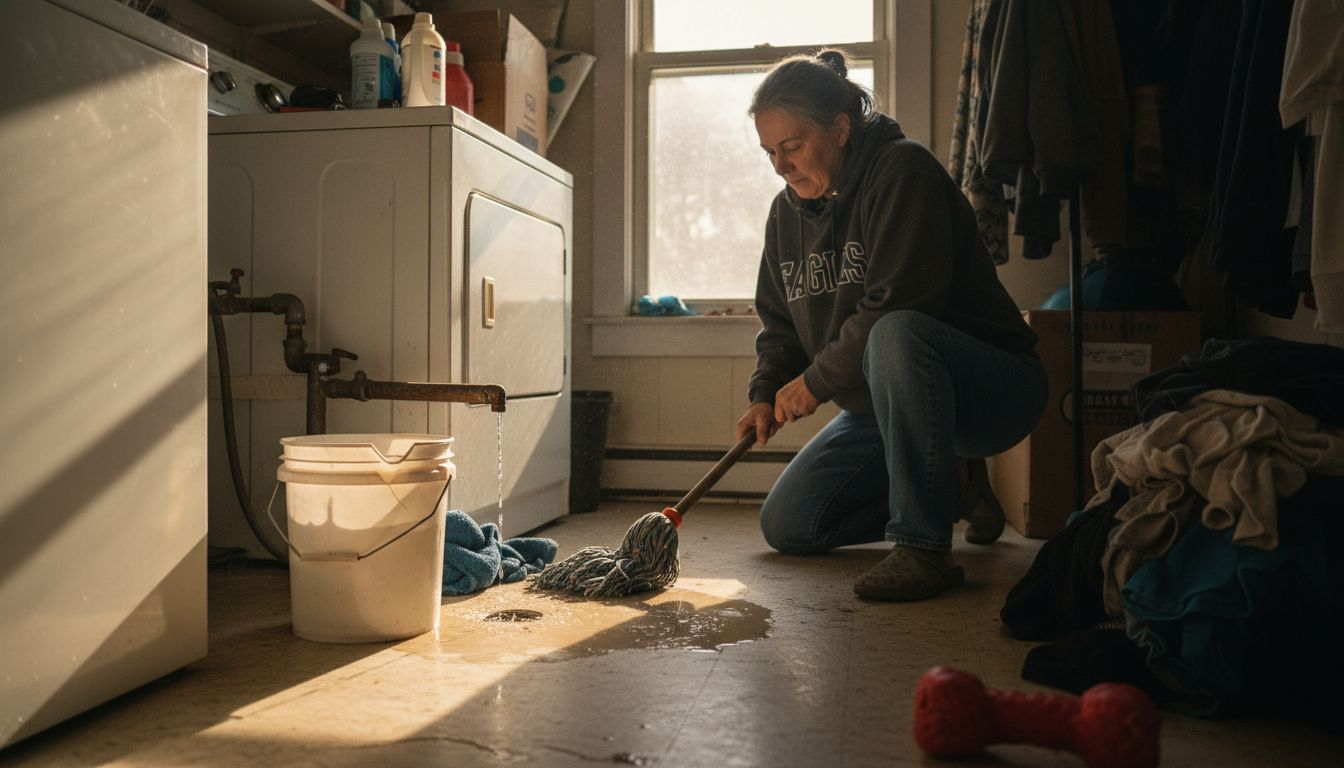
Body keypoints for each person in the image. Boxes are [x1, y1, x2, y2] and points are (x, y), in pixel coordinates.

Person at [737, 49, 1048, 602]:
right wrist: (765, 392)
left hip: (995, 389)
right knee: (790, 526)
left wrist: (813, 383)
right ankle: (951, 484)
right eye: (769, 153)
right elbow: (780, 325)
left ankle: (923, 549)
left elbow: (897, 303)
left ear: (839, 128)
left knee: (897, 330)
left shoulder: (902, 169)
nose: (780, 167)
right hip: (887, 407)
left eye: (792, 147)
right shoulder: (785, 214)